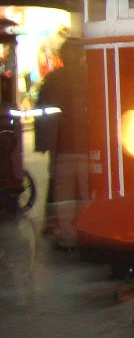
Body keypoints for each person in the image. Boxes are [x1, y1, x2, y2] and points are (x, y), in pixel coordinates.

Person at [36, 37, 88, 250]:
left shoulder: (52, 80)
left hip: (62, 148)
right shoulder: (91, 77)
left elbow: (43, 114)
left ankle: (68, 238)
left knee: (63, 196)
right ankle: (89, 236)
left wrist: (44, 143)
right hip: (87, 147)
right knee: (87, 194)